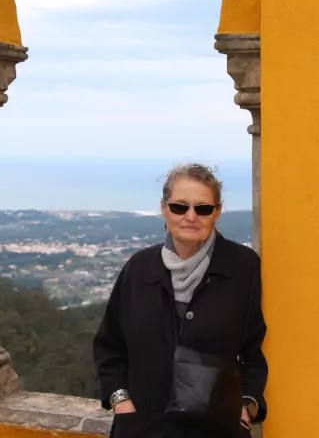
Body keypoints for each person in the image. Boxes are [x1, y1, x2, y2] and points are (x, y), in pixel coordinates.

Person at [93, 163, 268, 438]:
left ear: (217, 213)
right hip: (143, 430)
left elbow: (253, 350)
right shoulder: (139, 269)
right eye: (179, 207)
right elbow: (110, 347)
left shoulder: (242, 268)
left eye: (203, 208)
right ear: (164, 209)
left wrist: (247, 407)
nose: (190, 216)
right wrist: (121, 403)